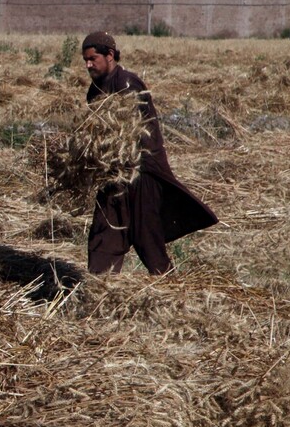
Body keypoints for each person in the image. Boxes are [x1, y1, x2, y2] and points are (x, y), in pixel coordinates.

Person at [81, 31, 218, 274]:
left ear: (109, 55)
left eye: (92, 58)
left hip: (142, 173)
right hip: (113, 176)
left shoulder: (128, 85)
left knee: (147, 237)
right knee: (104, 234)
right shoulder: (94, 91)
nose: (88, 65)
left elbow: (134, 134)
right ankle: (100, 290)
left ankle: (167, 287)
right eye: (86, 60)